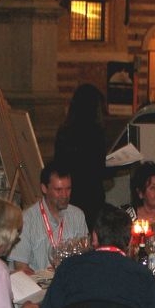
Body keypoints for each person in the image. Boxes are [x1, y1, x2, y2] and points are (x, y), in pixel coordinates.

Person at [9, 163, 88, 275]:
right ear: (44, 188)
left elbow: (85, 259)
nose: (65, 195)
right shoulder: (26, 219)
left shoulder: (77, 215)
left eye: (68, 189)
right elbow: (21, 268)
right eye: (58, 190)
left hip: (71, 280)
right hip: (39, 283)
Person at [54, 84, 109, 227]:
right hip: (91, 195)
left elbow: (59, 163)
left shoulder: (64, 131)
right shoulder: (96, 133)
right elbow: (97, 169)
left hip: (70, 194)